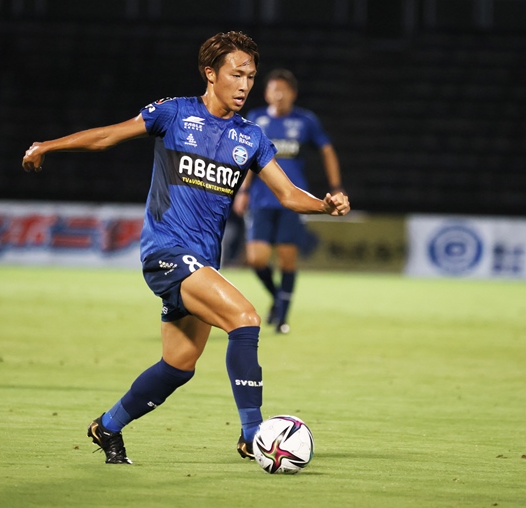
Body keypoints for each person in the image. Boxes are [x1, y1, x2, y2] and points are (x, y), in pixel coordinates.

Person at [21, 32, 350, 465]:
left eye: (251, 76)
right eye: (236, 74)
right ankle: (253, 435)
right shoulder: (174, 113)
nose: (245, 85)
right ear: (210, 73)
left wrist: (323, 205)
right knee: (245, 318)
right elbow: (108, 136)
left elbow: (288, 194)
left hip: (202, 263)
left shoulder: (250, 137)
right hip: (166, 252)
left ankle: (108, 426)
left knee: (178, 365)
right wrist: (48, 145)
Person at [233, 69, 344, 334]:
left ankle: (282, 318)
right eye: (274, 89)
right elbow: (249, 158)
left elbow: (327, 150)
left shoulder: (305, 121)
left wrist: (336, 187)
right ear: (266, 93)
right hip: (261, 199)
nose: (279, 95)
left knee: (286, 260)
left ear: (293, 94)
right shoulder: (256, 118)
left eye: (284, 90)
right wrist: (243, 191)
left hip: (293, 200)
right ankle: (276, 297)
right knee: (256, 259)